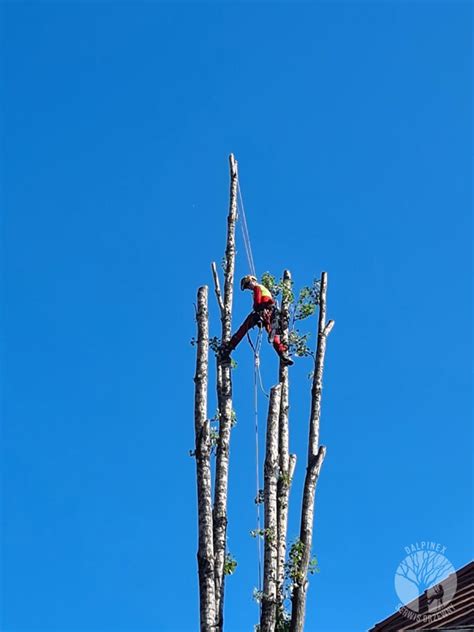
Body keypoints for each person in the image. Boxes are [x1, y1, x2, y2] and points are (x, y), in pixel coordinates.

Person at [220, 275, 293, 366]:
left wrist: (257, 310)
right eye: (247, 287)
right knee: (274, 335)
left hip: (262, 312)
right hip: (272, 313)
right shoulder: (265, 290)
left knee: (243, 329)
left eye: (248, 284)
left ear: (253, 280)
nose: (249, 287)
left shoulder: (257, 288)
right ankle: (282, 354)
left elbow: (258, 302)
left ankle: (227, 350)